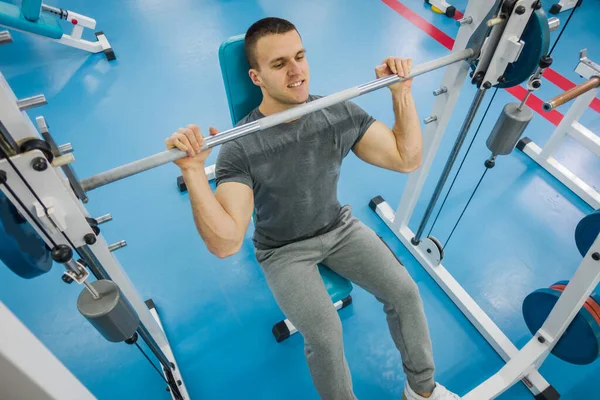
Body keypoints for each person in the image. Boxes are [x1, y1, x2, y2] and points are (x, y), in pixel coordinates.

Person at [166, 17, 460, 400]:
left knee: (405, 292)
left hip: (339, 228)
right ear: (256, 78)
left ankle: (422, 390)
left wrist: (401, 92)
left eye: (300, 57)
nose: (296, 72)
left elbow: (406, 159)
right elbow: (225, 243)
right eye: (279, 64)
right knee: (324, 335)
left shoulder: (336, 113)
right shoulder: (240, 147)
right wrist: (191, 171)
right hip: (284, 251)